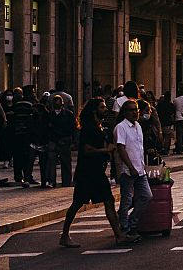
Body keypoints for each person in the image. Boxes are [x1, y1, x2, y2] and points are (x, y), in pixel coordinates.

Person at [60, 99, 135, 247]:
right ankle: (64, 235)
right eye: (102, 107)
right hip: (88, 171)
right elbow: (87, 149)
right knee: (77, 204)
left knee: (108, 200)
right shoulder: (89, 128)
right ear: (94, 110)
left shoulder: (98, 127)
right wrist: (106, 150)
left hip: (97, 171)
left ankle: (119, 235)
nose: (105, 110)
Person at [112, 100, 152, 238]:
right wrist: (130, 166)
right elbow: (121, 148)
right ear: (124, 112)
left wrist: (142, 165)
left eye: (136, 109)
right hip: (127, 170)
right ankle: (125, 226)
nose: (135, 112)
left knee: (147, 196)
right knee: (127, 199)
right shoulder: (121, 127)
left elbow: (139, 148)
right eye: (131, 110)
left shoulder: (138, 126)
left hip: (140, 169)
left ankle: (132, 221)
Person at [41, 94, 75, 189]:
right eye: (55, 103)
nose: (57, 105)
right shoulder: (50, 115)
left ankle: (66, 181)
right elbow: (47, 129)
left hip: (65, 139)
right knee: (51, 160)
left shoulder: (68, 115)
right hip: (53, 140)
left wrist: (69, 140)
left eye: (59, 103)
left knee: (66, 161)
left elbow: (72, 128)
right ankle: (51, 181)